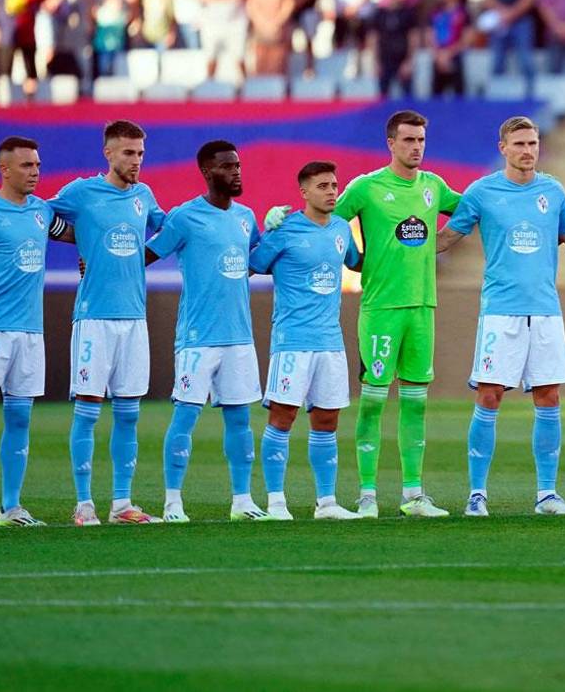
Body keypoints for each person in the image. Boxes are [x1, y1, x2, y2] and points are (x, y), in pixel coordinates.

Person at [268, 110, 461, 518]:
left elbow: (468, 210)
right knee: (372, 403)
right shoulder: (366, 188)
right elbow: (322, 219)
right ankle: (368, 495)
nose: (416, 147)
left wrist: (443, 240)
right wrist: (281, 218)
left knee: (416, 403)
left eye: (421, 140)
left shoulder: (433, 186)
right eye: (408, 140)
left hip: (423, 307)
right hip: (380, 309)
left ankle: (413, 495)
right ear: (391, 143)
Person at [437, 116, 565, 516]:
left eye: (533, 143)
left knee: (549, 396)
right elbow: (448, 237)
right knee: (490, 395)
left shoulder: (552, 190)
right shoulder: (482, 191)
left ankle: (547, 494)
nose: (528, 150)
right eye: (520, 144)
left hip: (545, 312)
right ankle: (477, 494)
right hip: (501, 313)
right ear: (503, 148)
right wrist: (400, 254)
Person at [0, 137, 73, 529]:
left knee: (20, 421)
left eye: (37, 165)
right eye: (26, 166)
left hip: (30, 334)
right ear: (5, 169)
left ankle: (10, 508)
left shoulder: (42, 211)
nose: (35, 172)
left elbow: (74, 233)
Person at [49, 120, 165, 526]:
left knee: (129, 412)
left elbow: (168, 227)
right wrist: (80, 241)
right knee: (88, 410)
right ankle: (83, 504)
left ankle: (121, 504)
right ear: (109, 153)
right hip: (94, 318)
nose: (136, 161)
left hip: (134, 317)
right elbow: (39, 216)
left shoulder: (144, 196)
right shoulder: (82, 192)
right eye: (129, 153)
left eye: (141, 154)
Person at [146, 141, 266, 523]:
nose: (236, 172)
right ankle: (172, 502)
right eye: (228, 166)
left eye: (238, 165)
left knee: (240, 420)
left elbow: (255, 260)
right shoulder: (184, 217)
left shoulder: (246, 217)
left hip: (239, 337)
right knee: (186, 416)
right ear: (207, 172)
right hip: (198, 338)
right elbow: (145, 256)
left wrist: (282, 228)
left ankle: (243, 501)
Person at [248, 162, 363, 521]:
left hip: (330, 342)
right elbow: (252, 263)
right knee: (283, 418)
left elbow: (357, 262)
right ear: (304, 192)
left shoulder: (343, 230)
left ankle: (326, 503)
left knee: (327, 420)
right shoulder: (285, 230)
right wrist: (263, 232)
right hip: (292, 341)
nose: (331, 191)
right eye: (323, 186)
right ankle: (276, 502)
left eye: (335, 185)